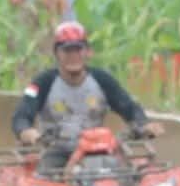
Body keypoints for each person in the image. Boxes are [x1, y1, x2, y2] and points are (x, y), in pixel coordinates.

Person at [12, 21, 161, 168]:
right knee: (43, 181)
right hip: (58, 151)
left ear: (87, 51)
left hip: (99, 150)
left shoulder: (102, 79)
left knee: (130, 178)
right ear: (57, 53)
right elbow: (22, 114)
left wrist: (144, 124)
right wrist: (27, 131)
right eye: (67, 50)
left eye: (78, 49)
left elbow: (128, 106)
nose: (73, 55)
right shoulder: (43, 82)